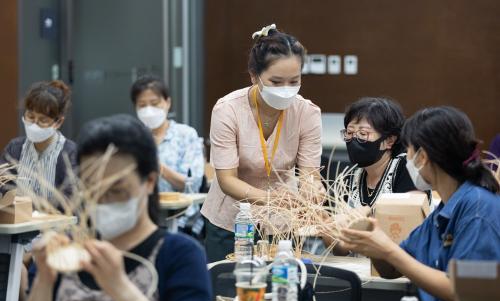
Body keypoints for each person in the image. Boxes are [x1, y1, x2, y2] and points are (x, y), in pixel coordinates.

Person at [17, 115, 211, 301]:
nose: (103, 201)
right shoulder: (65, 253)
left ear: (149, 182)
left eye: (117, 190)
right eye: (92, 189)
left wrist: (119, 286)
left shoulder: (179, 254)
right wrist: (44, 280)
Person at [339, 106, 500, 301]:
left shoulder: (477, 210)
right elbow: (392, 270)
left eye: (409, 151)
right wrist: (372, 240)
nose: (407, 159)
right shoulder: (442, 211)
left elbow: (467, 293)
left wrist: (387, 250)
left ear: (422, 156)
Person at [201, 24, 323, 262]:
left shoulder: (307, 113)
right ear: (254, 76)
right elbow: (226, 180)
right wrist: (273, 199)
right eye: (276, 82)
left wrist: (313, 190)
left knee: (279, 289)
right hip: (230, 221)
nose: (286, 90)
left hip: (281, 224)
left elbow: (310, 174)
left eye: (294, 81)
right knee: (226, 294)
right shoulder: (228, 110)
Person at [130, 75, 205, 235]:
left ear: (167, 103)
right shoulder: (132, 137)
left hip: (182, 221)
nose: (148, 110)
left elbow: (192, 184)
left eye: (155, 103)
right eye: (142, 105)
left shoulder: (185, 135)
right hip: (141, 220)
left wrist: (158, 167)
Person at [0, 80, 77, 205]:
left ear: (58, 122)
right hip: (20, 222)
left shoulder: (70, 153)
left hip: (57, 223)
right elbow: (4, 186)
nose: (34, 124)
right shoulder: (14, 149)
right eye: (30, 116)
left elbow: (70, 199)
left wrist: (30, 202)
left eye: (43, 120)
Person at [341, 97, 420, 208]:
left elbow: (411, 212)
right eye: (349, 132)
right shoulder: (351, 175)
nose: (353, 139)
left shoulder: (407, 167)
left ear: (389, 140)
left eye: (363, 133)